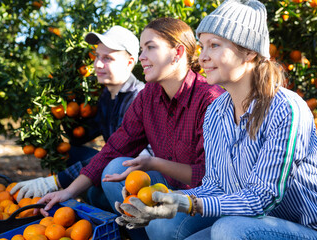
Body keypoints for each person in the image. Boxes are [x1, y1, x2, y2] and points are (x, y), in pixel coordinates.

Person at [116, 1, 317, 239]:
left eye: (214, 45)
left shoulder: (286, 108)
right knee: (174, 226)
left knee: (227, 229)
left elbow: (263, 197)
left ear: (250, 51)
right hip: (245, 221)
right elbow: (215, 185)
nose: (202, 58)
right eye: (202, 47)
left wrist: (190, 204)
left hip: (300, 227)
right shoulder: (216, 112)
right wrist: (170, 203)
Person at [37, 17, 224, 239]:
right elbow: (114, 148)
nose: (142, 57)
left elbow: (211, 177)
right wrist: (66, 191)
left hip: (206, 199)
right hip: (169, 188)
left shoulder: (210, 100)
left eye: (150, 48)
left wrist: (154, 163)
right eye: (142, 49)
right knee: (114, 167)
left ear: (178, 52)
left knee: (162, 226)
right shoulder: (148, 97)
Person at [10, 26, 146, 210]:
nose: (97, 64)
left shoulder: (137, 98)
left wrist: (58, 181)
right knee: (66, 152)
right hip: (112, 163)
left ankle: (100, 208)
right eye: (97, 56)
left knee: (96, 189)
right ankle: (80, 195)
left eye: (108, 58)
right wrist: (63, 109)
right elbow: (81, 136)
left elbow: (117, 154)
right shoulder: (106, 95)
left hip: (131, 176)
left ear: (130, 63)